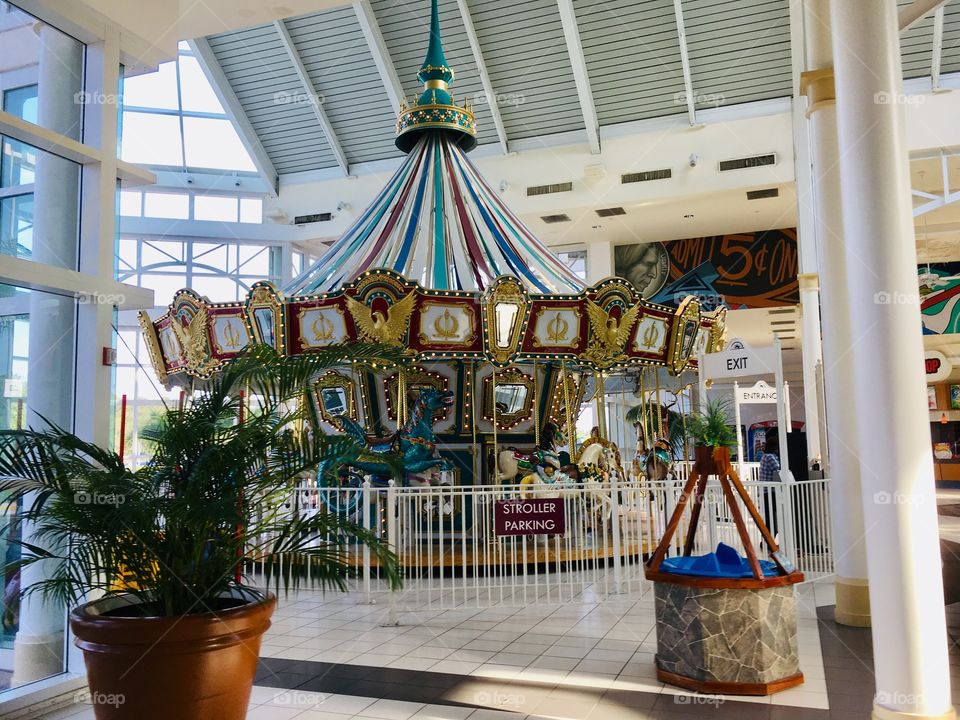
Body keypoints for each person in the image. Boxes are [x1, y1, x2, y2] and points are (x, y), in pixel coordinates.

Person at [759, 434, 781, 545]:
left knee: (770, 517)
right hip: (770, 492)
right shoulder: (770, 457)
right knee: (772, 518)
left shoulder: (764, 457)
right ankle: (768, 542)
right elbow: (779, 469)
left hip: (765, 492)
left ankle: (766, 541)